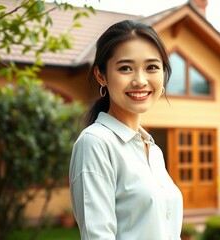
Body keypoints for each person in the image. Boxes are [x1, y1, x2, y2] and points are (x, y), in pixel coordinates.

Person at [69, 19, 183, 240]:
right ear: (102, 76)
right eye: (125, 68)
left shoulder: (153, 150)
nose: (140, 80)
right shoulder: (95, 143)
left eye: (152, 67)